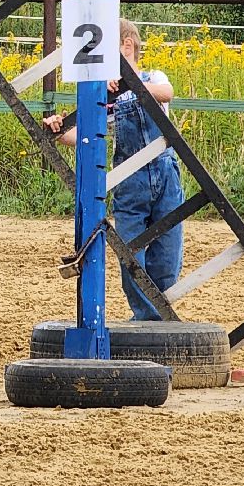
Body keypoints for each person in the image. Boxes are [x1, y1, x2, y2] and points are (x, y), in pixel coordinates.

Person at [42, 18, 182, 320]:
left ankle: (155, 315)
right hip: (129, 182)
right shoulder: (106, 98)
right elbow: (78, 136)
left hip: (165, 173)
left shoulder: (151, 76)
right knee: (130, 255)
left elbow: (166, 92)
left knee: (168, 257)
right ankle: (148, 318)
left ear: (126, 46)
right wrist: (57, 127)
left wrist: (129, 83)